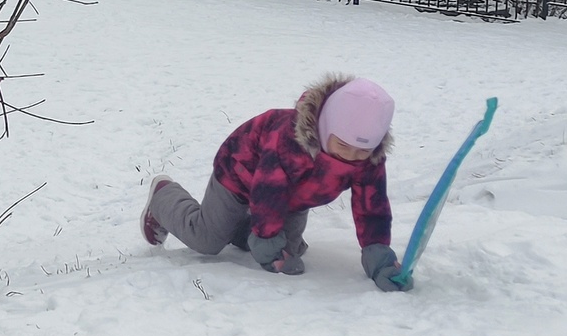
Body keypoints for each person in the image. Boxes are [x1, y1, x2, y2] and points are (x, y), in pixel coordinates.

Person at [141, 74, 402, 289]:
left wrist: (378, 254)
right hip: (240, 174)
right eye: (344, 145)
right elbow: (269, 193)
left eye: (363, 151)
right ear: (326, 127)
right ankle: (164, 196)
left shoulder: (369, 160)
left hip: (294, 197)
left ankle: (240, 228)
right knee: (208, 240)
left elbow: (372, 207)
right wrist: (266, 240)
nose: (352, 157)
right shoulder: (288, 141)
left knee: (290, 250)